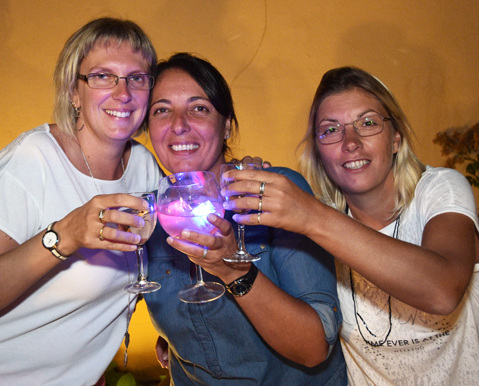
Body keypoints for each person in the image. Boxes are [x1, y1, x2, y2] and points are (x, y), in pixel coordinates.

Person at [222, 66, 479, 385]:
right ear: (319, 154)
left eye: (368, 123)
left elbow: (442, 290)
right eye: (331, 130)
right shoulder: (311, 234)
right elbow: (288, 326)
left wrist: (309, 216)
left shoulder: (439, 189)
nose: (350, 142)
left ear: (395, 139)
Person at [0, 18, 163, 386]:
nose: (123, 92)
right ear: (72, 92)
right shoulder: (32, 160)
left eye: (136, 78)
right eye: (102, 76)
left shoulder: (143, 167)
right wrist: (65, 235)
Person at [142, 53, 347, 385]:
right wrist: (177, 338)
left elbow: (313, 347)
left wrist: (233, 270)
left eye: (199, 108)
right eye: (162, 110)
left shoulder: (276, 193)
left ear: (226, 126)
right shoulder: (150, 216)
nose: (179, 124)